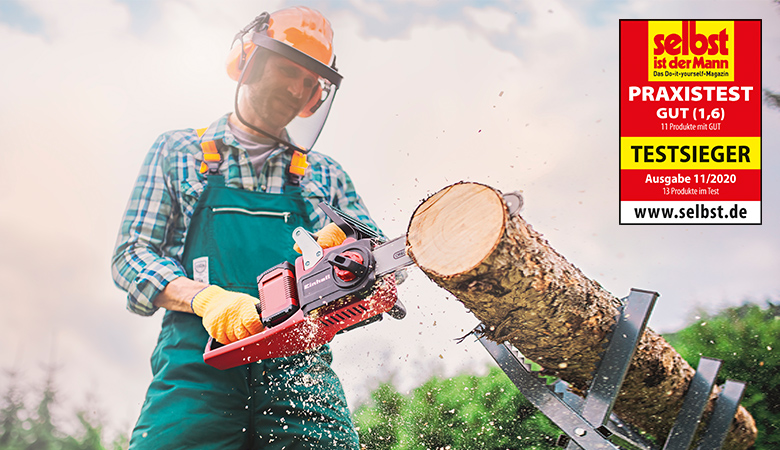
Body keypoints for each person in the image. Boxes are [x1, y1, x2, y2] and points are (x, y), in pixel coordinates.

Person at [111, 6, 380, 449]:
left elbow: (373, 256)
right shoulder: (180, 152)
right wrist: (207, 299)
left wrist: (349, 257)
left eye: (310, 82)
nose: (296, 88)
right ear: (248, 60)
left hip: (300, 372)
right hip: (198, 367)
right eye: (286, 69)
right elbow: (131, 256)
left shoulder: (325, 175)